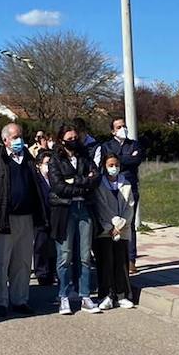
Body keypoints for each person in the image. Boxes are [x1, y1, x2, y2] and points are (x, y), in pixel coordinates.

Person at [0, 123, 45, 316]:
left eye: (20, 136)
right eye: (15, 137)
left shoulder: (29, 160)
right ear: (5, 140)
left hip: (26, 217)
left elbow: (36, 188)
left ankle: (19, 299)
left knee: (22, 262)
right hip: (4, 220)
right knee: (1, 262)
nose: (19, 140)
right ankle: (0, 301)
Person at [48, 122, 101, 315]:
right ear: (61, 140)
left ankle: (85, 295)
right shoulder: (55, 160)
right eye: (69, 138)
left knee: (85, 255)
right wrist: (83, 184)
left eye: (75, 138)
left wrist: (76, 181)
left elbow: (96, 178)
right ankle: (63, 295)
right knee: (65, 255)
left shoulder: (85, 157)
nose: (73, 141)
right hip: (65, 211)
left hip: (84, 209)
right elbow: (58, 186)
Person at [91, 152, 136, 310]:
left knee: (121, 262)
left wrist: (121, 225)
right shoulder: (100, 185)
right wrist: (112, 225)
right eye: (110, 165)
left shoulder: (126, 184)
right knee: (106, 262)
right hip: (106, 229)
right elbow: (101, 207)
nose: (114, 168)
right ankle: (107, 295)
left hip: (122, 230)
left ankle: (122, 295)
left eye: (116, 165)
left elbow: (130, 207)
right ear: (104, 166)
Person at [100, 119, 144, 273]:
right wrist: (125, 158)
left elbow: (136, 160)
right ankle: (113, 258)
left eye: (124, 126)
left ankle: (131, 259)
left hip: (129, 187)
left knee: (129, 223)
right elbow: (107, 161)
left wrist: (119, 158)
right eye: (119, 127)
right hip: (110, 188)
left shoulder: (134, 144)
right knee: (112, 222)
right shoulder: (106, 146)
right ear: (113, 131)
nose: (122, 128)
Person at [31, 150, 57, 286]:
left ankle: (52, 272)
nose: (49, 166)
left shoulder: (55, 179)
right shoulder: (36, 180)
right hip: (41, 217)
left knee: (52, 247)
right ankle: (42, 273)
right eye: (47, 163)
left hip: (54, 217)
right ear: (39, 165)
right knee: (41, 246)